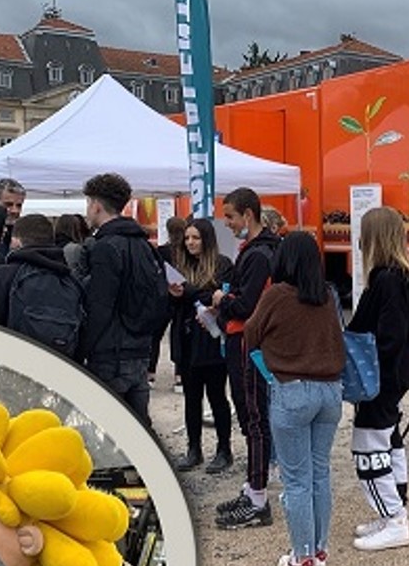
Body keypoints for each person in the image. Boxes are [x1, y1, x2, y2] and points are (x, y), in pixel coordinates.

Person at [249, 231, 347, 566]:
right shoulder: (328, 296)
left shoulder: (277, 295)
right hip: (331, 392)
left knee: (296, 480)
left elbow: (251, 334)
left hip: (293, 391)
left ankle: (301, 560)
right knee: (320, 473)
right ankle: (319, 552)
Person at [345, 206, 409, 551]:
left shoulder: (386, 280)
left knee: (368, 445)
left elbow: (388, 337)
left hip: (381, 378)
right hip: (401, 375)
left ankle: (396, 519)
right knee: (390, 440)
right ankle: (393, 513)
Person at [209, 189, 283, 529]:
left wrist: (223, 300)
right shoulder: (261, 251)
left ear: (248, 215)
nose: (228, 223)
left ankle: (257, 496)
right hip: (249, 339)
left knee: (253, 417)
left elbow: (247, 305)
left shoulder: (257, 255)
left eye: (231, 216)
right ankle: (253, 488)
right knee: (252, 416)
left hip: (248, 342)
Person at [77, 173, 168, 428]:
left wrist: (83, 348)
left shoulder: (107, 246)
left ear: (96, 205)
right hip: (139, 348)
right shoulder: (144, 245)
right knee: (139, 427)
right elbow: (161, 297)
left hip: (110, 351)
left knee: (108, 429)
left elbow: (100, 305)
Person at [163, 215, 234, 473]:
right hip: (187, 336)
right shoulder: (180, 265)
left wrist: (190, 293)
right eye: (188, 238)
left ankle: (224, 449)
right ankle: (194, 449)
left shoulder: (222, 264)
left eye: (196, 238)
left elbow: (220, 298)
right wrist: (174, 295)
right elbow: (173, 301)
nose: (191, 242)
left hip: (212, 339)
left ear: (207, 239)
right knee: (191, 398)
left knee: (217, 396)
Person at [0, 213, 84, 358]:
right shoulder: (70, 281)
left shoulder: (3, 275)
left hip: (10, 367)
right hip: (56, 372)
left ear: (16, 242)